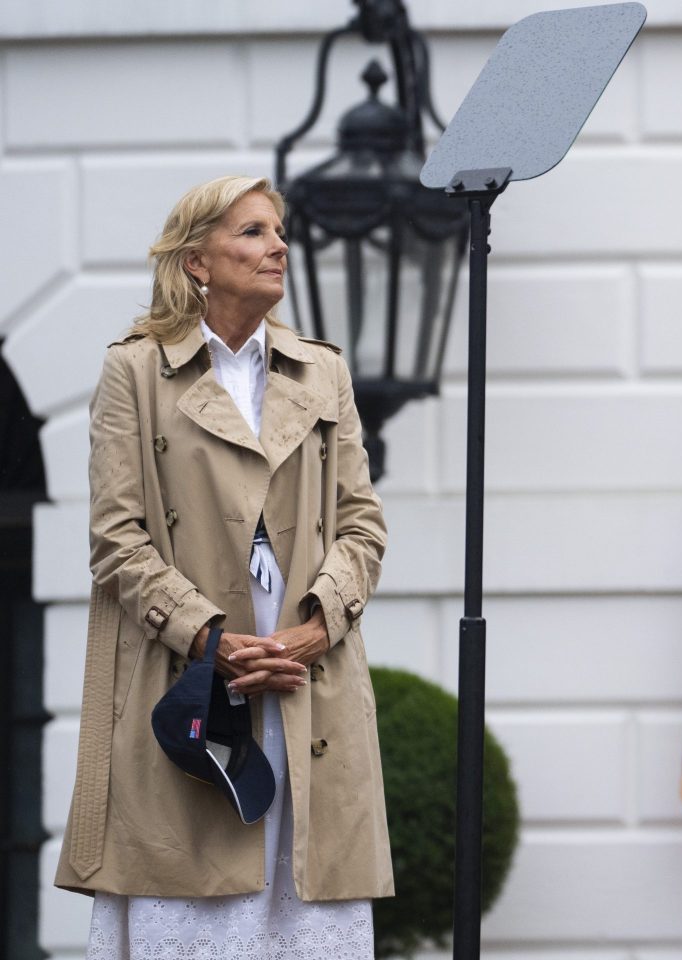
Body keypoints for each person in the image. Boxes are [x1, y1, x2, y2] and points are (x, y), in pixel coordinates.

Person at [55, 175, 392, 956]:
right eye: (252, 232)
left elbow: (362, 524)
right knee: (199, 910)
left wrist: (315, 626)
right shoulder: (135, 371)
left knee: (310, 906)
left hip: (311, 684)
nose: (278, 245)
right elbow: (117, 538)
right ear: (197, 259)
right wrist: (211, 639)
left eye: (279, 231)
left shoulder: (321, 371)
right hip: (193, 682)